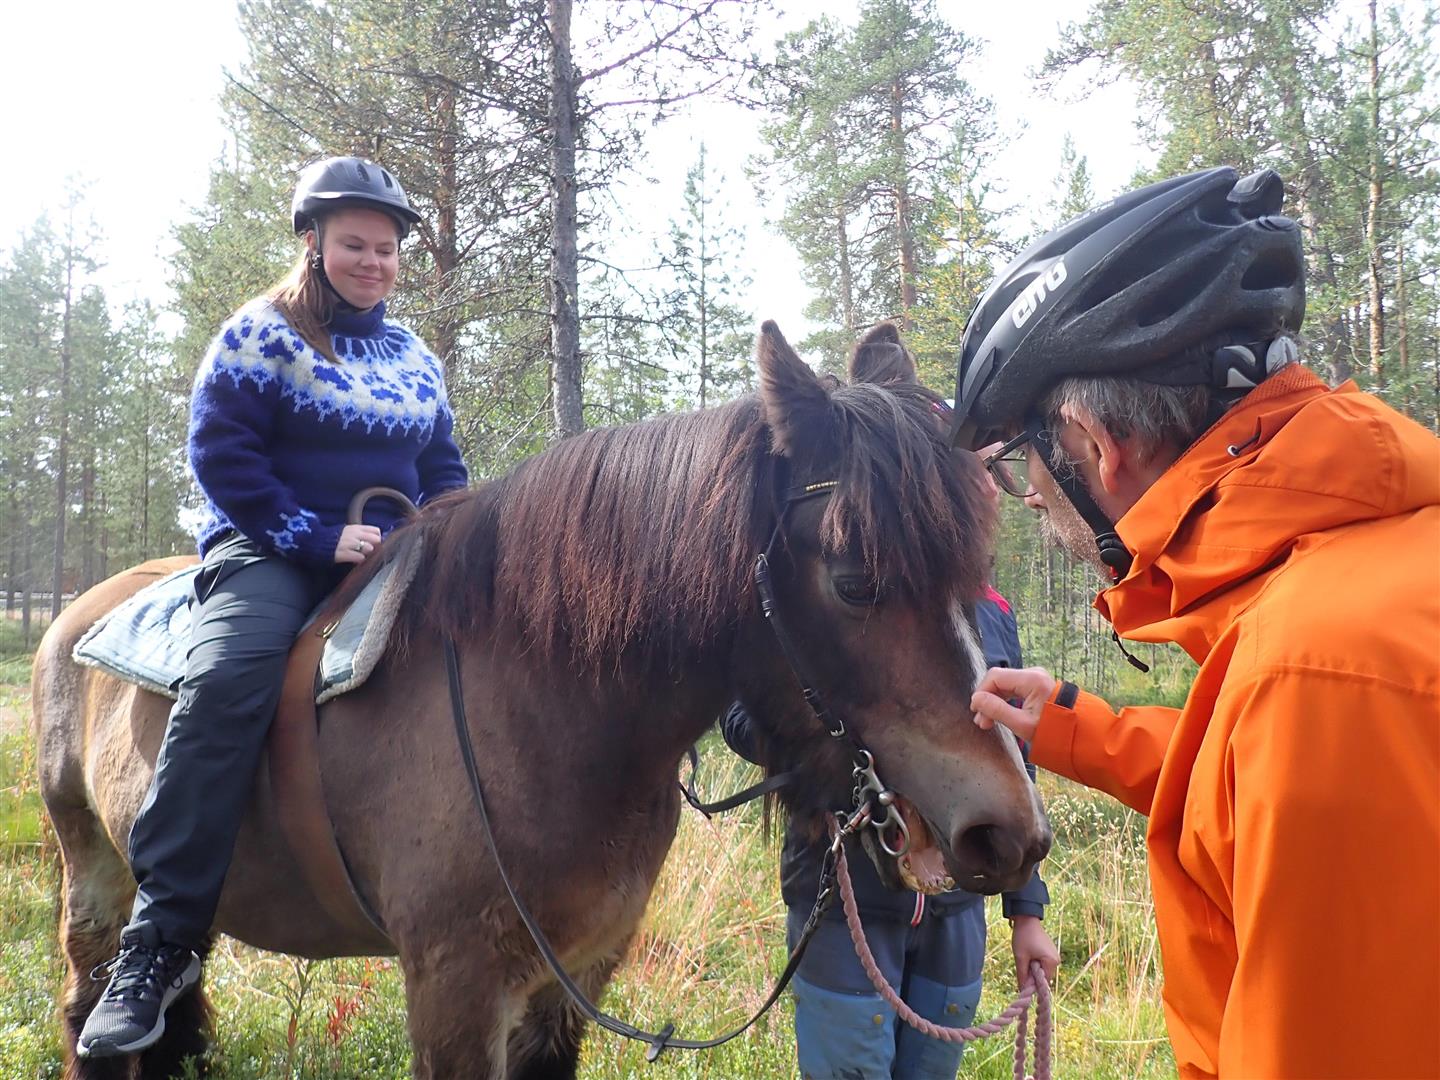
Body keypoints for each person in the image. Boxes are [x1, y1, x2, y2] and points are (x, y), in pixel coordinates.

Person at [952, 165, 1440, 1079]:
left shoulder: (1314, 672)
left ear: (1095, 444)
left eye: (1025, 461)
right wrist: (1078, 729)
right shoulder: (1357, 591)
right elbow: (1251, 781)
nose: (1031, 498)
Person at [77, 156, 469, 1058]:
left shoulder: (416, 358)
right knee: (227, 680)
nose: (373, 261)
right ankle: (160, 941)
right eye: (354, 244)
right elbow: (222, 455)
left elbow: (442, 467)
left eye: (386, 248)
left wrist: (456, 531)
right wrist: (314, 536)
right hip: (271, 552)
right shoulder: (261, 333)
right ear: (314, 243)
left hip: (399, 550)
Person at [721, 580, 1058, 1080]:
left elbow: (1013, 763)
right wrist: (842, 755)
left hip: (955, 914)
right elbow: (738, 717)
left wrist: (1027, 912)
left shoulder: (994, 608)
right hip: (844, 903)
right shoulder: (826, 592)